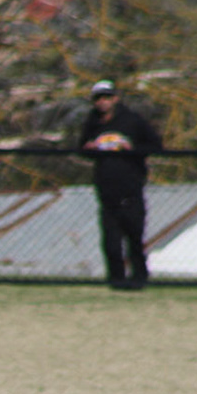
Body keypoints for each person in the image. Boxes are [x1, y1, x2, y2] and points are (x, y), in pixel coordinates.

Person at [79, 79, 162, 291]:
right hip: (106, 191)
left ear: (115, 98)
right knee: (111, 242)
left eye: (107, 97)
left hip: (131, 188)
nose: (102, 102)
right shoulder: (92, 123)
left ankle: (139, 279)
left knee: (134, 237)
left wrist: (132, 148)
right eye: (98, 98)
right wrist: (89, 149)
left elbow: (155, 145)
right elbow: (81, 148)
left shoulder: (132, 120)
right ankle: (116, 280)